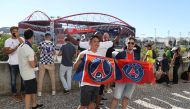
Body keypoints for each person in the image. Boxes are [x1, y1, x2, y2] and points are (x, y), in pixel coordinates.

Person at [73, 35, 101, 109]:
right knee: (83, 105)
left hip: (96, 84)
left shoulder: (100, 55)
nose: (97, 43)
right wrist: (79, 59)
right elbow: (74, 68)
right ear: (90, 43)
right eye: (95, 41)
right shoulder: (84, 53)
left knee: (92, 104)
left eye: (98, 42)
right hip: (86, 83)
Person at [17, 29, 43, 109]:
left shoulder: (21, 46)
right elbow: (33, 65)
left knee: (32, 90)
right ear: (32, 37)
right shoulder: (29, 49)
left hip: (24, 72)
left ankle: (34, 105)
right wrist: (36, 59)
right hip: (29, 74)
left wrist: (32, 56)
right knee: (28, 93)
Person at [111, 37, 138, 109]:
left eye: (132, 43)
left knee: (126, 97)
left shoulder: (136, 55)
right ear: (126, 43)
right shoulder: (121, 54)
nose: (130, 44)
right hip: (121, 79)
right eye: (129, 43)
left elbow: (139, 67)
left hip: (132, 80)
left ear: (134, 44)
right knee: (116, 97)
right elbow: (114, 62)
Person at [4, 26, 24, 101]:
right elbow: (6, 52)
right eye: (14, 31)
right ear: (11, 32)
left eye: (16, 31)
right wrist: (16, 48)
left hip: (22, 63)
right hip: (13, 64)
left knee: (24, 80)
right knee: (13, 80)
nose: (15, 32)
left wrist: (18, 37)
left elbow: (24, 46)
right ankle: (14, 94)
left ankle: (22, 92)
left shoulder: (21, 39)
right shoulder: (7, 41)